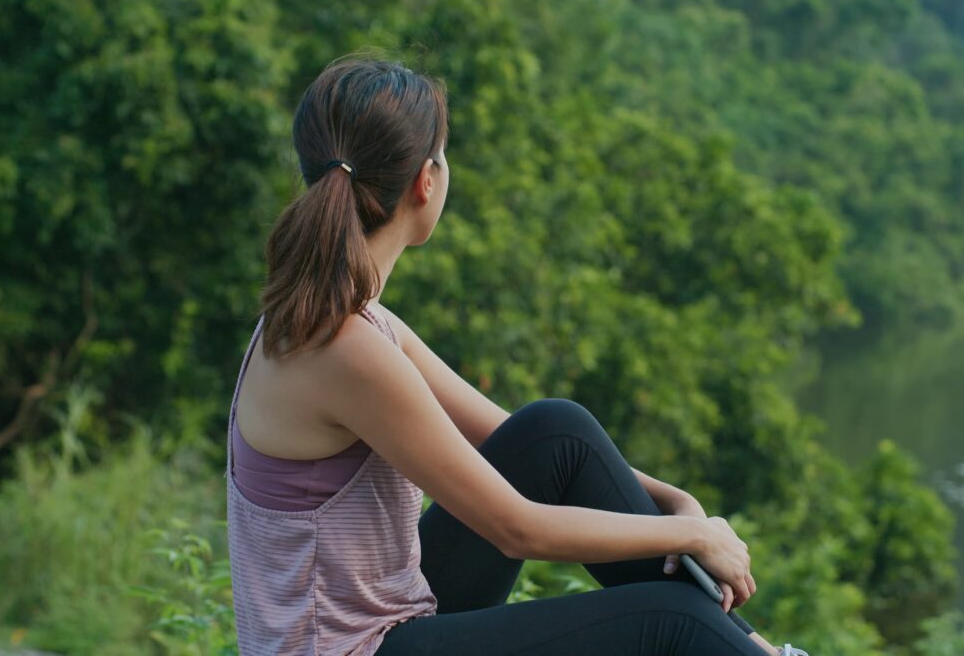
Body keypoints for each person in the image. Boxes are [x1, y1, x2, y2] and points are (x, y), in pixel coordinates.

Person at [226, 53, 809, 655]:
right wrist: (687, 535)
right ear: (427, 182)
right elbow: (515, 528)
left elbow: (518, 443)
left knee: (555, 430)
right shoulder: (345, 351)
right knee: (672, 624)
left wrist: (674, 508)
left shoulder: (345, 320)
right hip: (355, 649)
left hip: (387, 621)